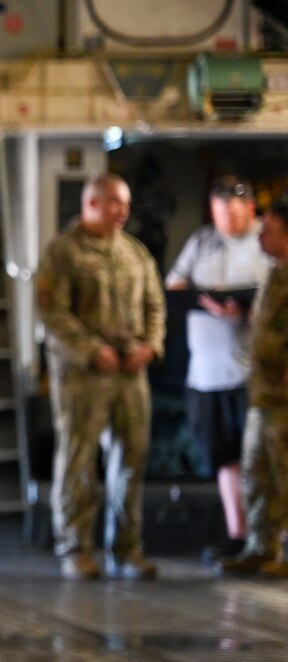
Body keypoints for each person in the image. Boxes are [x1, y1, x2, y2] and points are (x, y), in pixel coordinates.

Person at [37, 173, 166, 581]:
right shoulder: (63, 253)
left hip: (130, 375)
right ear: (91, 204)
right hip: (83, 376)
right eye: (114, 203)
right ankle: (76, 546)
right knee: (80, 460)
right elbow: (52, 313)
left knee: (132, 457)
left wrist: (150, 346)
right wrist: (93, 351)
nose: (123, 212)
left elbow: (155, 306)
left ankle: (127, 548)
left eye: (125, 204)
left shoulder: (135, 253)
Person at [167, 177, 269, 563]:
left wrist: (243, 310)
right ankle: (238, 534)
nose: (225, 219)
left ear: (251, 209)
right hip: (205, 374)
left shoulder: (266, 245)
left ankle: (269, 537)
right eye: (219, 211)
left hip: (250, 373)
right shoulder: (203, 241)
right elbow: (175, 284)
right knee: (222, 456)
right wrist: (204, 302)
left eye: (233, 211)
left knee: (260, 460)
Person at [232, 199, 288, 575]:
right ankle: (261, 547)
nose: (261, 237)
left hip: (284, 396)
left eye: (268, 230)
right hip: (263, 392)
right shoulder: (276, 275)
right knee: (256, 472)